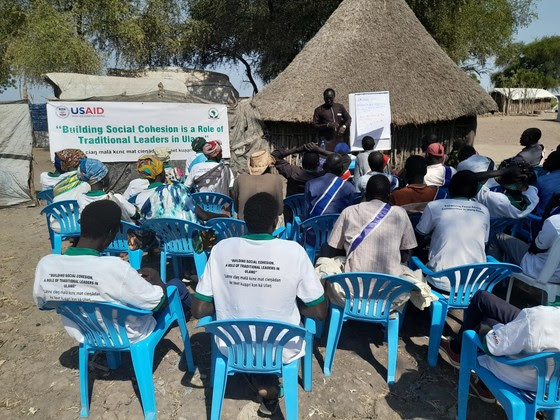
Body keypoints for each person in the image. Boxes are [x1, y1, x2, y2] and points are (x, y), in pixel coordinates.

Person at [191, 192, 327, 416]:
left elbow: (199, 310)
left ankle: (256, 378)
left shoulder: (221, 249)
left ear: (244, 220)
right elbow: (320, 312)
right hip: (281, 348)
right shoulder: (294, 251)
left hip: (232, 345)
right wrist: (294, 304)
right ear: (276, 222)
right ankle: (266, 383)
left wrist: (234, 299)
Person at [33, 200, 192, 344]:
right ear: (111, 233)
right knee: (175, 285)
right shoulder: (114, 267)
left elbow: (44, 304)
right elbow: (156, 303)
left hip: (87, 333)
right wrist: (157, 279)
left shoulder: (47, 264)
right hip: (129, 335)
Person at [439, 291, 560, 401]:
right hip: (547, 383)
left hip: (516, 375)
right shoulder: (540, 318)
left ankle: (457, 351)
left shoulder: (541, 318)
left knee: (485, 315)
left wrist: (491, 329)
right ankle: (483, 386)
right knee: (485, 302)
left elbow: (492, 345)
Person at [325, 175, 417, 274]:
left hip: (352, 284)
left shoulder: (349, 212)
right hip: (391, 285)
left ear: (366, 194)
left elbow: (334, 248)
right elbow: (406, 253)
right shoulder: (400, 214)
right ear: (389, 195)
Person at [416, 171, 490, 292]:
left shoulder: (434, 206)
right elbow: (484, 244)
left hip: (440, 283)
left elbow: (418, 236)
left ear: (450, 188)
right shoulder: (484, 210)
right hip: (475, 284)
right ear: (474, 191)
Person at [232, 150, 284, 221]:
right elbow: (280, 211)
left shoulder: (240, 179)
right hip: (267, 228)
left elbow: (236, 208)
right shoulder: (276, 179)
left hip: (243, 227)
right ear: (268, 166)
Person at [304, 153, 355, 218]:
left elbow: (306, 212)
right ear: (342, 169)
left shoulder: (310, 184)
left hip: (314, 226)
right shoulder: (350, 187)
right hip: (338, 225)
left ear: (324, 166)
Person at [535, 151, 560, 215]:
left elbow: (533, 201)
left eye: (548, 158)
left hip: (541, 218)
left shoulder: (542, 180)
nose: (545, 160)